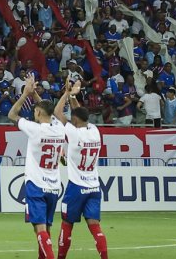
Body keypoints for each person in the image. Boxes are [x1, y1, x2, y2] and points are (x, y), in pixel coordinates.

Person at [10, 73, 65, 259]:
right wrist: (36, 95)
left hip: (36, 185)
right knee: (46, 230)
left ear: (39, 113)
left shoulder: (34, 129)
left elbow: (12, 114)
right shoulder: (60, 129)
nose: (34, 112)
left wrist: (26, 93)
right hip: (54, 186)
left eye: (35, 111)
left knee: (39, 229)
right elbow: (48, 111)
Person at [52, 81, 108, 259]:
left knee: (67, 224)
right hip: (93, 187)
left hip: (76, 187)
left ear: (74, 120)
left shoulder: (73, 133)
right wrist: (74, 96)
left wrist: (67, 93)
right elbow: (79, 113)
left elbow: (57, 113)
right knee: (95, 226)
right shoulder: (95, 131)